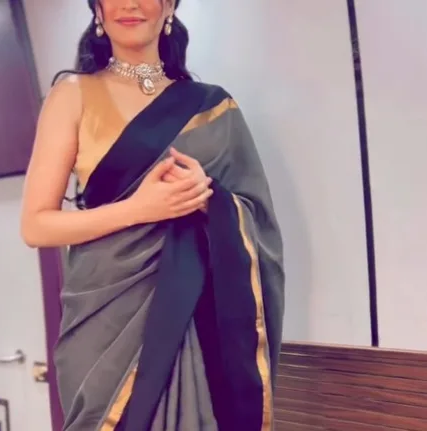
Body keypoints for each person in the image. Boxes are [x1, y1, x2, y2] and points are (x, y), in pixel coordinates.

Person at [20, 0, 285, 430]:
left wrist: (209, 198)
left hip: (195, 314)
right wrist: (139, 209)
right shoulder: (72, 95)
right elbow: (36, 224)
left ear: (170, 7)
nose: (129, 3)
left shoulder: (213, 107)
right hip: (105, 319)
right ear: (97, 10)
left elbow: (258, 221)